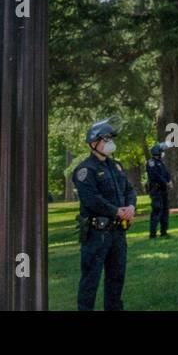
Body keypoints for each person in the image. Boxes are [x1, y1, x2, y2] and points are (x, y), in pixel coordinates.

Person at [73, 118, 136, 311]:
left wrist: (131, 207)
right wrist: (116, 211)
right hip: (96, 234)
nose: (110, 142)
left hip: (118, 232)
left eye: (110, 138)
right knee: (91, 278)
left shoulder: (116, 166)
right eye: (105, 138)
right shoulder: (85, 170)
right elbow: (91, 199)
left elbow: (129, 190)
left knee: (116, 276)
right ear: (94, 143)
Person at [146, 142, 172, 239]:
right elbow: (156, 175)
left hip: (163, 190)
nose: (163, 153)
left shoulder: (161, 162)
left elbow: (166, 173)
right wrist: (166, 182)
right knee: (157, 210)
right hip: (156, 190)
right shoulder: (151, 163)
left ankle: (164, 231)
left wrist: (169, 180)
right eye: (162, 151)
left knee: (165, 210)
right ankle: (153, 234)